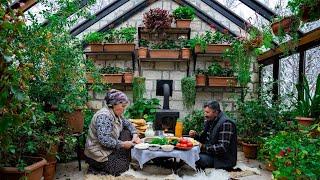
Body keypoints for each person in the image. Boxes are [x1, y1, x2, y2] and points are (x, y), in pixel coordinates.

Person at [84, 89, 142, 176]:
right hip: (97, 155)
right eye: (122, 106)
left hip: (107, 150)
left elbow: (128, 124)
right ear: (114, 104)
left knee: (127, 132)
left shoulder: (116, 114)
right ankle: (95, 167)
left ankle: (115, 161)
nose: (124, 108)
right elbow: (105, 140)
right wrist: (123, 144)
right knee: (123, 167)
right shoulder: (104, 116)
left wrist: (134, 134)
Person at [190, 101, 237, 170]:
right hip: (211, 153)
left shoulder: (226, 123)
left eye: (207, 112)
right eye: (205, 112)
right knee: (191, 153)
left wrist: (204, 147)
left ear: (216, 112)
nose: (205, 114)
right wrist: (196, 136)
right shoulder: (210, 120)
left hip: (222, 159)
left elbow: (222, 147)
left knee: (196, 157)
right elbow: (205, 138)